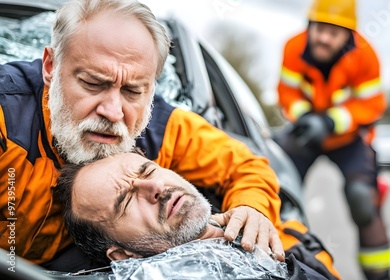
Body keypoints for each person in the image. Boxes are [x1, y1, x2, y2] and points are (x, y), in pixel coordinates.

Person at [0, 0, 284, 272]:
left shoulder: (161, 127)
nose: (113, 112)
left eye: (132, 91)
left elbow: (245, 166)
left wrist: (251, 208)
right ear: (50, 66)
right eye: (93, 83)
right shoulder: (6, 117)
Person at [53, 152, 334, 280]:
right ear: (123, 256)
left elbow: (246, 164)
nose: (155, 188)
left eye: (148, 171)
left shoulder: (278, 233)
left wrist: (253, 207)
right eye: (126, 201)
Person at [275, 0, 390, 279]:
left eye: (334, 32)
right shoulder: (293, 48)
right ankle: (277, 264)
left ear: (349, 35)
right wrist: (305, 118)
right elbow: (286, 94)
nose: (324, 38)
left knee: (362, 199)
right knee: (277, 191)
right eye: (320, 29)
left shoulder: (366, 56)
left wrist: (330, 122)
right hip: (305, 134)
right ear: (310, 25)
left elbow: (372, 106)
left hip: (348, 138)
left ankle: (380, 274)